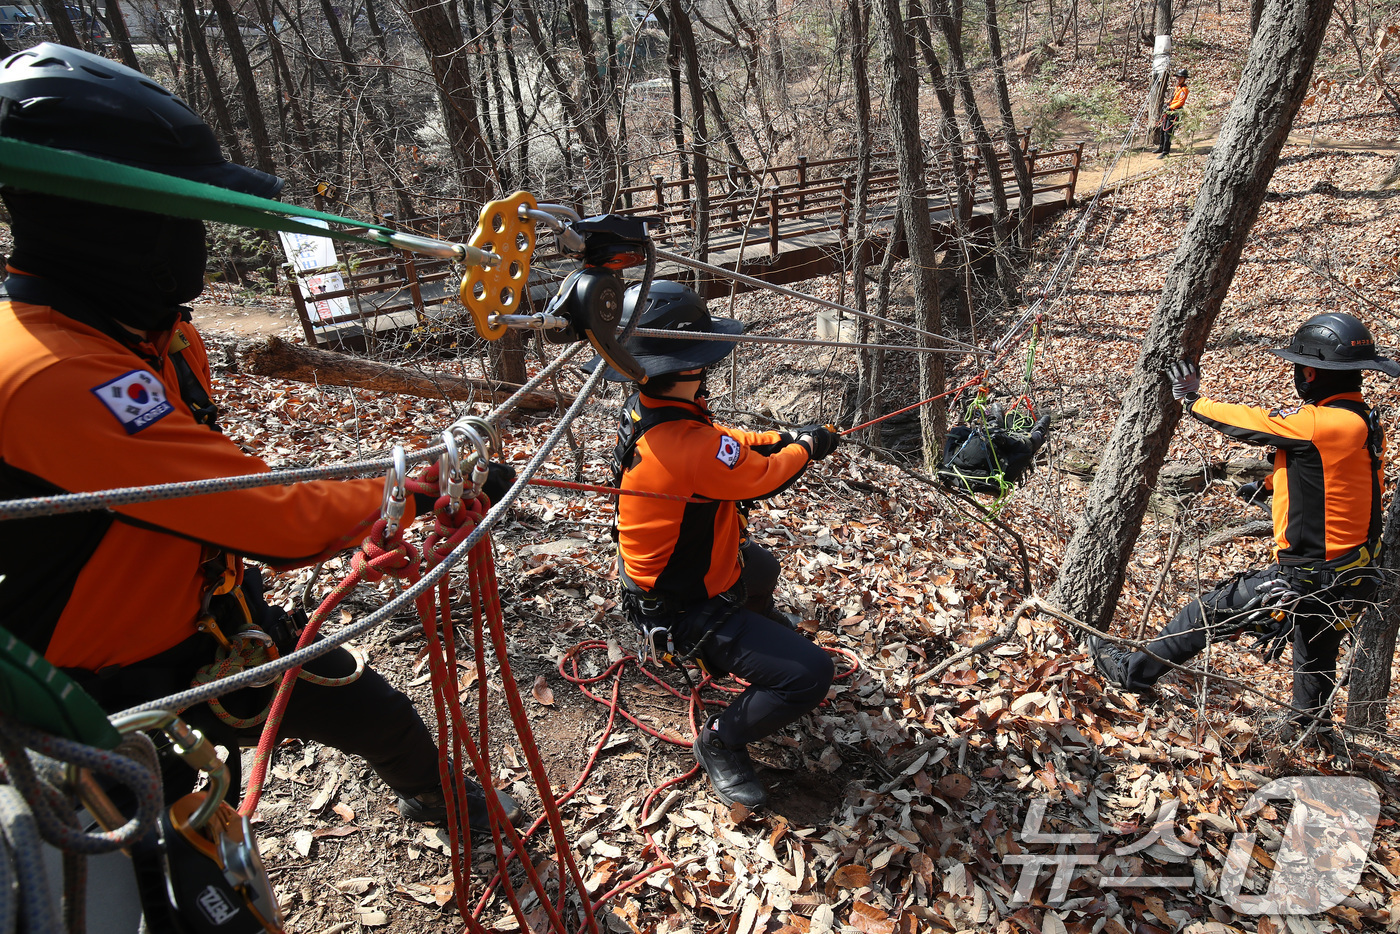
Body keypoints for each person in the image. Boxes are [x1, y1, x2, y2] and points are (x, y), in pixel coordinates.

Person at [0, 44, 518, 833]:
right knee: (185, 868)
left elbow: (215, 489)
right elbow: (271, 517)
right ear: (106, 225)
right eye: (178, 217)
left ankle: (442, 801)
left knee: (375, 713)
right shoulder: (51, 372)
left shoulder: (155, 335)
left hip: (216, 624)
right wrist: (424, 485)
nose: (196, 240)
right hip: (107, 694)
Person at [1087, 312, 1396, 747]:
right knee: (1316, 654)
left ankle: (1132, 673)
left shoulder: (1318, 421)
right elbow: (1342, 476)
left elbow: (1252, 422)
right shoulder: (1365, 422)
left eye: (1298, 366)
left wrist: (1193, 400)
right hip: (1354, 576)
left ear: (1311, 372)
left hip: (1309, 575)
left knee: (1206, 612)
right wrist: (1270, 486)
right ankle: (1312, 732)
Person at [594, 281, 839, 809]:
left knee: (761, 567)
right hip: (682, 606)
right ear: (688, 367)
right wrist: (807, 447)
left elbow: (729, 444)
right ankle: (721, 741)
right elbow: (764, 476)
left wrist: (784, 437)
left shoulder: (656, 410)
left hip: (676, 576)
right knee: (811, 674)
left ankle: (757, 638)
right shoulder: (687, 448)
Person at [1156, 68, 1189, 157]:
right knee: (1162, 129)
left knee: (1168, 131)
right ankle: (1161, 147)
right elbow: (1174, 99)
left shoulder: (1184, 89)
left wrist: (1170, 107)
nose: (1178, 79)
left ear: (1184, 79)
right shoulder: (1177, 88)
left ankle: (1165, 151)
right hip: (1170, 110)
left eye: (1180, 78)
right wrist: (1167, 104)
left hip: (1175, 112)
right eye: (1177, 77)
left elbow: (1180, 102)